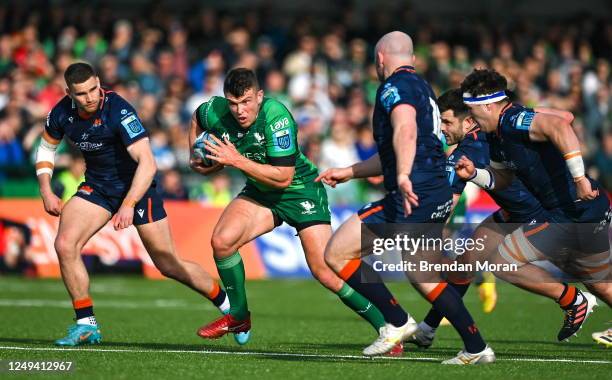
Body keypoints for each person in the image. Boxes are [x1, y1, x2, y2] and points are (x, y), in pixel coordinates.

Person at [189, 68, 400, 354]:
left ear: (260, 96)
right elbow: (197, 117)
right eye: (234, 102)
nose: (240, 110)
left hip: (299, 190)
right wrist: (195, 154)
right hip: (261, 192)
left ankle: (388, 327)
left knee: (326, 271)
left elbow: (283, 176)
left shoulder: (276, 117)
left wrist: (235, 160)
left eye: (247, 101)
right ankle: (239, 317)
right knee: (222, 242)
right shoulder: (214, 110)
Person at [316, 31, 494, 364]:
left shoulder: (393, 88)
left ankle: (396, 322)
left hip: (412, 191)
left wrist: (401, 176)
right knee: (424, 276)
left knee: (337, 253)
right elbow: (398, 148)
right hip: (435, 190)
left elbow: (405, 131)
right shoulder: (424, 88)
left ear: (380, 59)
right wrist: (350, 171)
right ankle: (476, 347)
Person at [35, 62, 233, 346]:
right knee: (65, 244)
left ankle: (229, 307)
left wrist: (129, 203)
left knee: (168, 264)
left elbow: (148, 163)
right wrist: (45, 189)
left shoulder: (119, 110)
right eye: (81, 94)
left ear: (99, 82)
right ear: (69, 93)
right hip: (99, 188)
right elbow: (46, 146)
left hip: (138, 187)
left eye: (94, 89)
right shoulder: (61, 113)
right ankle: (85, 323)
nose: (90, 97)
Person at [408, 88, 593, 347]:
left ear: (469, 120)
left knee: (508, 265)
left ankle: (572, 299)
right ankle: (427, 329)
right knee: (466, 263)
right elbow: (566, 116)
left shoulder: (464, 155)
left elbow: (445, 207)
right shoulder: (505, 121)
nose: (442, 130)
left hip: (538, 214)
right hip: (516, 212)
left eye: (447, 122)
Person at [456, 68, 611, 342]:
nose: (469, 118)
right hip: (584, 211)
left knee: (502, 261)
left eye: (472, 110)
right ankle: (577, 298)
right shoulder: (496, 135)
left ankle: (573, 301)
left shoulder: (513, 120)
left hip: (574, 211)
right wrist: (474, 175)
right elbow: (503, 178)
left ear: (489, 106)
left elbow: (561, 125)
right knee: (600, 283)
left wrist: (579, 177)